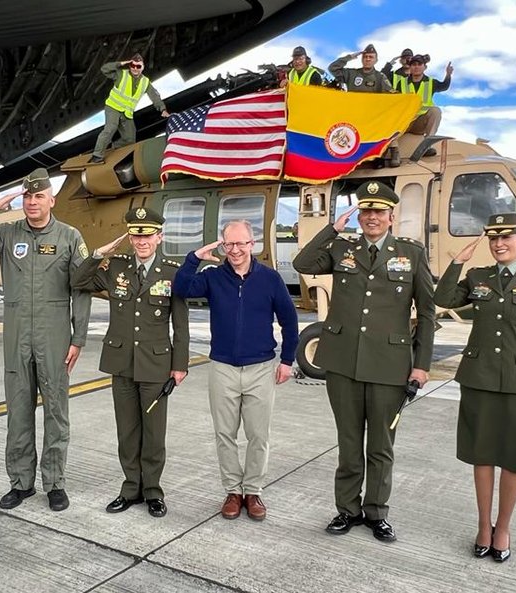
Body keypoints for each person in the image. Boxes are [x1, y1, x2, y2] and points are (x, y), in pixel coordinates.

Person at [292, 181, 435, 542]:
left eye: (378, 211)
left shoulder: (412, 254)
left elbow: (429, 314)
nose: (372, 217)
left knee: (381, 446)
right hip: (343, 362)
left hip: (389, 363)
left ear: (391, 216)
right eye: (366, 211)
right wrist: (332, 228)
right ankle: (347, 510)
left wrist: (421, 364)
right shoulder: (342, 247)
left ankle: (376, 513)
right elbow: (302, 262)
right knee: (349, 442)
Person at [0, 168, 92, 512]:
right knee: (18, 413)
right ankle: (21, 483)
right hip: (17, 338)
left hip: (55, 338)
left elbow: (82, 287)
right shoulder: (6, 233)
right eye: (27, 196)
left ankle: (55, 484)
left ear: (51, 199)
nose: (33, 202)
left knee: (56, 413)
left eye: (38, 196)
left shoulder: (69, 237)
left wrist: (78, 338)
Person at [434, 212, 516, 563]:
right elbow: (444, 298)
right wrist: (457, 263)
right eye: (493, 239)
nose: (499, 244)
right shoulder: (478, 277)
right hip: (479, 378)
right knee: (483, 455)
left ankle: (503, 527)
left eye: (507, 238)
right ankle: (483, 526)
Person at [173, 220, 298, 521]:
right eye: (230, 244)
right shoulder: (213, 277)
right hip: (223, 368)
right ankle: (232, 491)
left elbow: (289, 321)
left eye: (242, 243)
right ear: (223, 245)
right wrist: (194, 259)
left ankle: (253, 491)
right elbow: (181, 289)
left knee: (258, 435)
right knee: (224, 434)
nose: (236, 250)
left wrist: (287, 360)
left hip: (260, 367)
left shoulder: (269, 278)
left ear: (252, 244)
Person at [71, 207, 189, 518]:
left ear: (159, 237)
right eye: (136, 235)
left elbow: (181, 323)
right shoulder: (116, 266)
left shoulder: (172, 272)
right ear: (130, 238)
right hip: (121, 361)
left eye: (148, 235)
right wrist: (99, 253)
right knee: (127, 431)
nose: (142, 241)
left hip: (155, 364)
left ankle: (152, 491)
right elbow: (78, 280)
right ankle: (130, 488)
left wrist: (180, 365)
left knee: (154, 433)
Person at [89, 54, 169, 164]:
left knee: (130, 139)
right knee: (111, 128)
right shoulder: (121, 74)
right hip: (113, 107)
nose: (135, 69)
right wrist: (121, 63)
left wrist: (162, 109)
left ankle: (115, 146)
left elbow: (154, 96)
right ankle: (97, 156)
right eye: (133, 65)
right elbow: (104, 69)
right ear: (129, 65)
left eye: (138, 66)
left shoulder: (145, 82)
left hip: (127, 113)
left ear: (143, 67)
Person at [398, 54, 453, 137]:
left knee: (436, 111)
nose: (416, 67)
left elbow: (444, 86)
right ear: (410, 67)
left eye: (419, 64)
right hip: (404, 123)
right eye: (414, 65)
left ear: (425, 67)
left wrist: (448, 75)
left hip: (421, 122)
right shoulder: (401, 83)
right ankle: (393, 148)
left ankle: (428, 144)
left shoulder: (431, 82)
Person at [328, 44, 393, 93]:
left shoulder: (380, 77)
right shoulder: (351, 73)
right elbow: (332, 68)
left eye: (371, 57)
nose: (368, 59)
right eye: (365, 57)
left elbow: (391, 94)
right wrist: (350, 57)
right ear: (362, 59)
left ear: (376, 60)